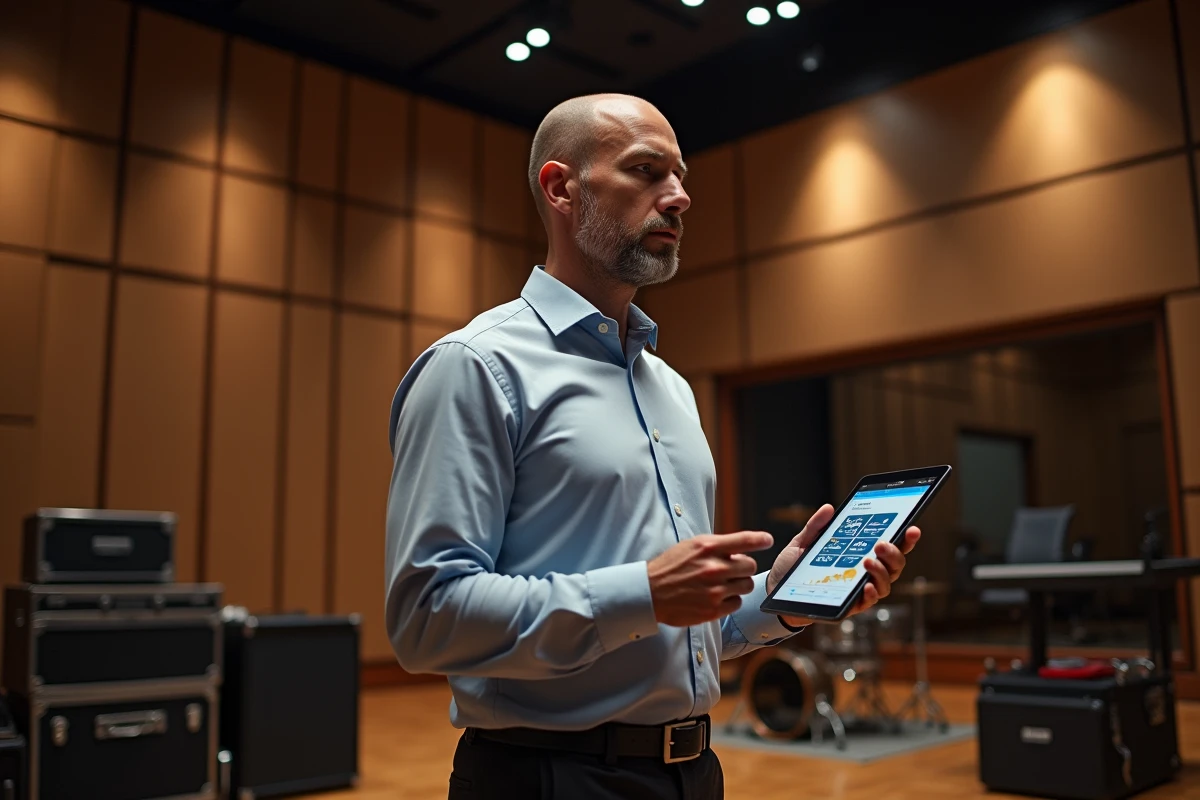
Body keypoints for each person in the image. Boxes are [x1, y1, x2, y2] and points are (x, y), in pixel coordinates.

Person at [384, 93, 920, 799]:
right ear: (561, 188)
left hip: (693, 775)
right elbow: (426, 618)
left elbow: (677, 625)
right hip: (548, 779)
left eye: (681, 176)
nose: (680, 197)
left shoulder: (670, 387)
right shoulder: (476, 367)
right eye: (646, 170)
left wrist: (786, 599)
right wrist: (643, 592)